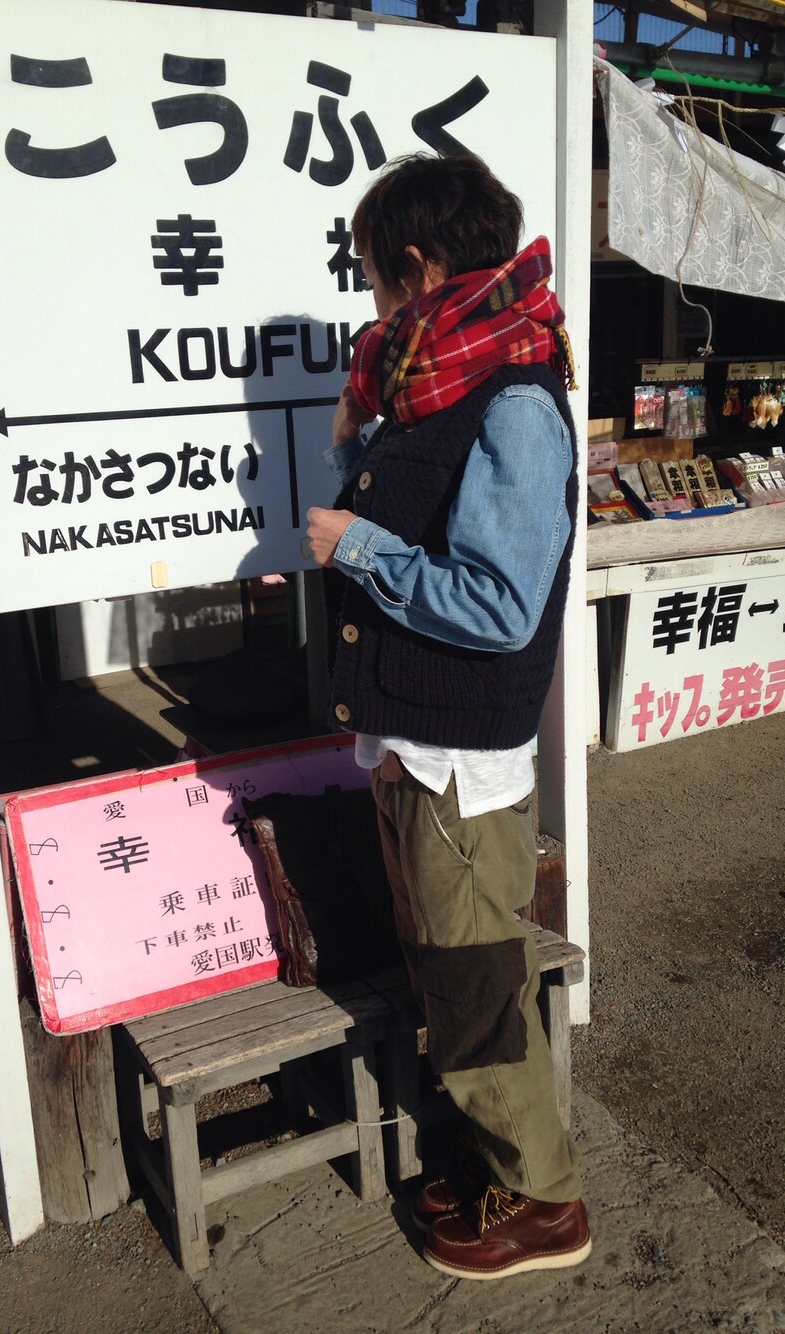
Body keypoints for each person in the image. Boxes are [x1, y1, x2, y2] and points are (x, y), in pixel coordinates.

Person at [304, 151, 589, 1281]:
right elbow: (416, 509)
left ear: (419, 267)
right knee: (452, 974)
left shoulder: (510, 399)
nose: (373, 302)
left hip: (457, 766)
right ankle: (494, 1156)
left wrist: (356, 547)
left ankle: (547, 1202)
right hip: (421, 750)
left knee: (472, 991)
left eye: (377, 277)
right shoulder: (441, 378)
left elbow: (500, 604)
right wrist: (353, 447)